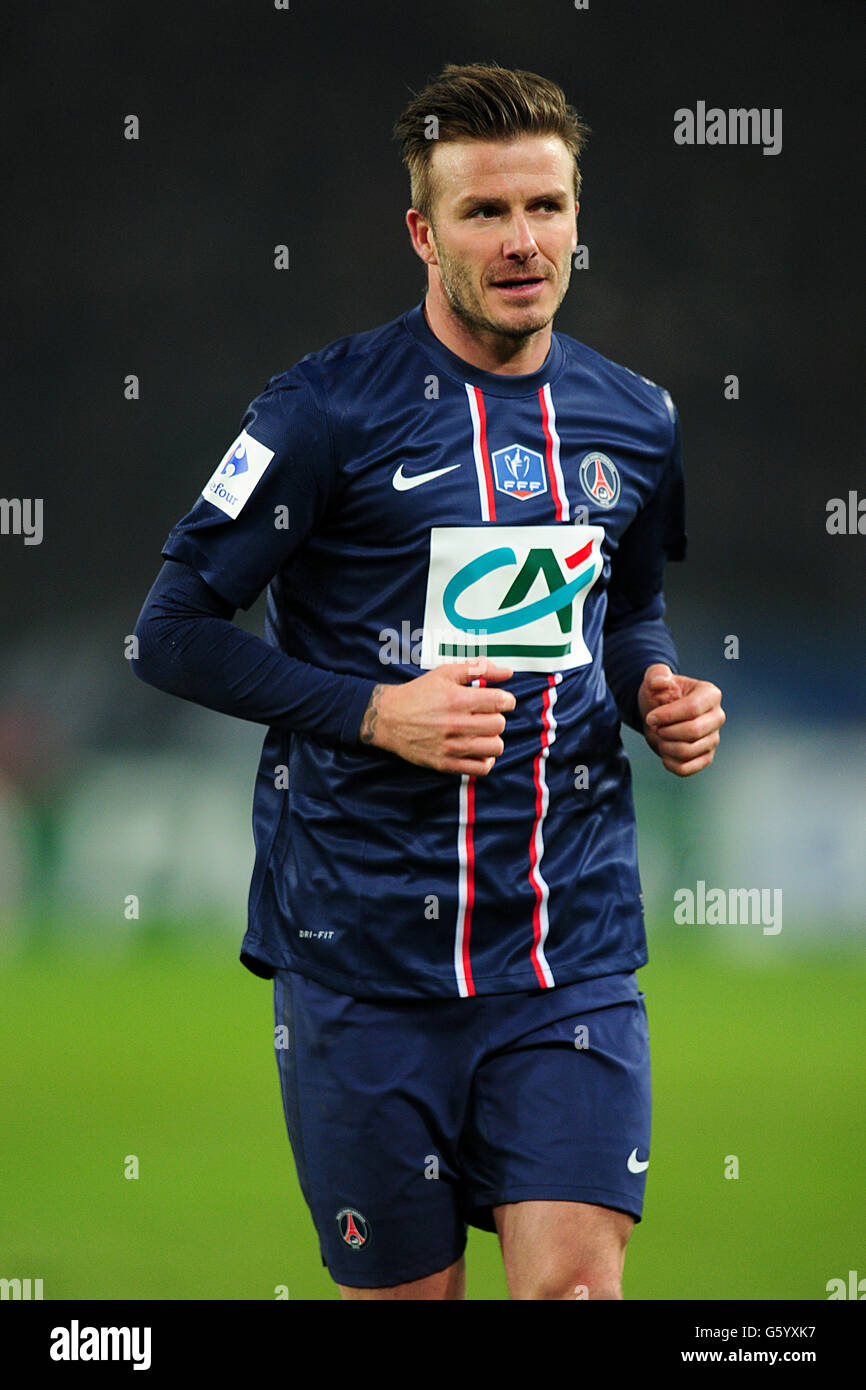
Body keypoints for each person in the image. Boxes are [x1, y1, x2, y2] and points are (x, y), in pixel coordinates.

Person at [131, 61, 724, 1301]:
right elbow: (174, 628)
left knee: (572, 1289)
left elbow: (628, 608)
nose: (521, 241)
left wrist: (659, 685)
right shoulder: (321, 413)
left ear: (577, 218)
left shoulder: (636, 419)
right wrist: (369, 711)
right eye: (484, 212)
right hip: (358, 954)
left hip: (566, 939)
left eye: (545, 208)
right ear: (422, 231)